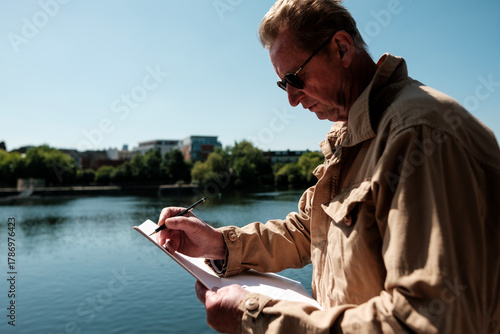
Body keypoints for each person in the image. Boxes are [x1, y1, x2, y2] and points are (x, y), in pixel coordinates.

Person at [156, 0, 500, 332]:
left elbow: (427, 322)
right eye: (282, 84)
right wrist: (219, 244)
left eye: (294, 78)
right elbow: (309, 231)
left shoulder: (418, 134)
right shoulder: (352, 134)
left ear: (341, 48)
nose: (291, 99)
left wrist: (254, 318)